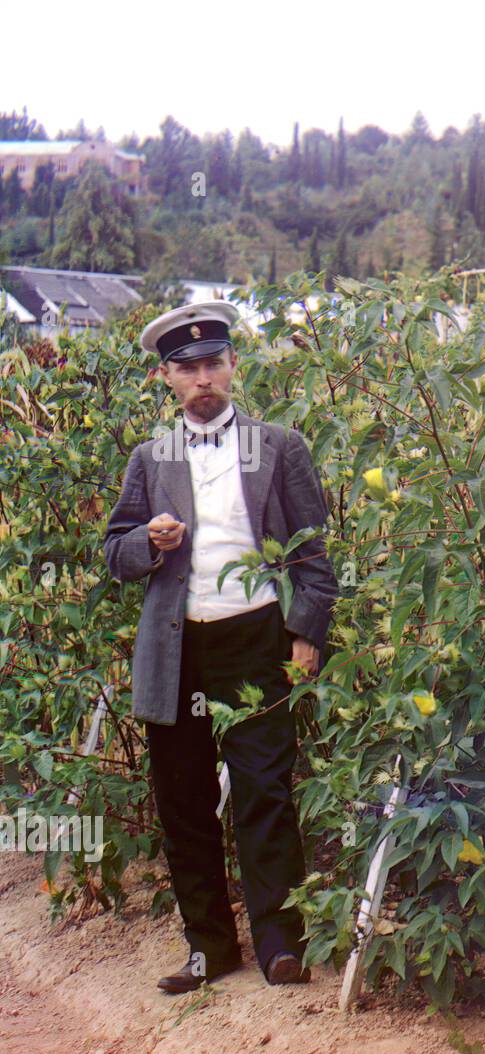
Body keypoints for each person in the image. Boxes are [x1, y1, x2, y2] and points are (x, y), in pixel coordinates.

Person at [104, 301, 338, 992]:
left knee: (266, 790)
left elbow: (313, 555)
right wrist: (148, 541)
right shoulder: (152, 456)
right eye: (188, 368)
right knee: (182, 797)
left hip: (256, 638)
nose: (203, 378)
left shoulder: (280, 446)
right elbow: (115, 552)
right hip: (177, 648)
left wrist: (305, 635)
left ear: (234, 366)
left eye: (214, 363)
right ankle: (209, 946)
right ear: (167, 377)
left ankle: (279, 944)